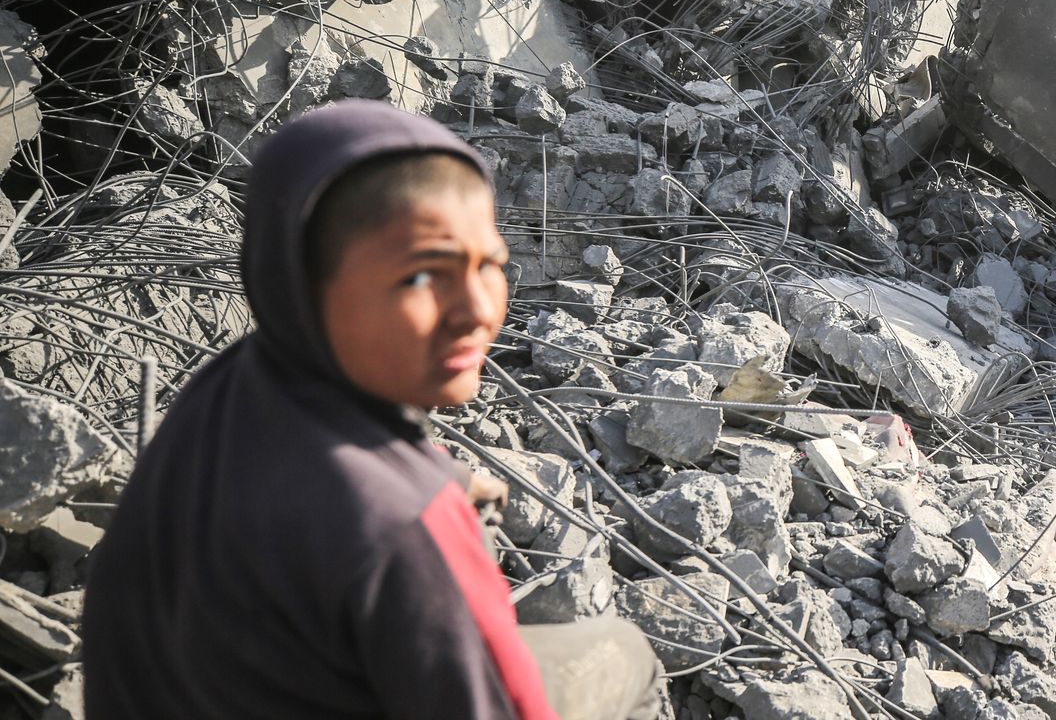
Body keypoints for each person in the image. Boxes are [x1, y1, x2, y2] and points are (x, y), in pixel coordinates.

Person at [82, 101, 662, 720]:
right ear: (304, 282)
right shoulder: (402, 531)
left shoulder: (234, 386)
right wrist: (432, 509)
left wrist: (451, 480)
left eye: (491, 265)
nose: (477, 310)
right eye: (421, 276)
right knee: (625, 652)